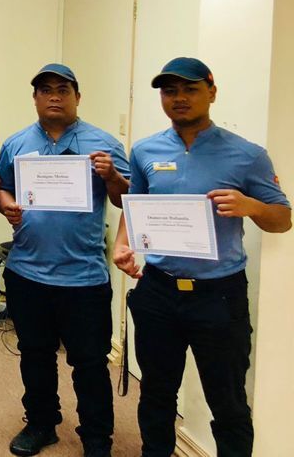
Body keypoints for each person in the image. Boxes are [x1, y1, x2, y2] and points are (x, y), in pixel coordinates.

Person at [112, 57, 291, 457]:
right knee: (156, 393)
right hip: (159, 291)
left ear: (211, 92)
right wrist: (123, 245)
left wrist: (250, 206)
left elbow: (283, 220)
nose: (179, 98)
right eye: (169, 91)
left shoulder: (248, 155)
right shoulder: (145, 150)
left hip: (219, 297)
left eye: (190, 89)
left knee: (227, 402)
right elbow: (135, 206)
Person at [0, 63, 129, 457]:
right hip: (27, 271)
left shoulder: (103, 144)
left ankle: (97, 438)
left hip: (83, 277)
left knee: (89, 363)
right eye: (45, 90)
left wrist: (112, 176)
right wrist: (7, 205)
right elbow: (0, 189)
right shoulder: (17, 143)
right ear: (35, 98)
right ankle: (41, 423)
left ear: (77, 97)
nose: (54, 96)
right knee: (35, 355)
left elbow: (127, 199)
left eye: (62, 89)